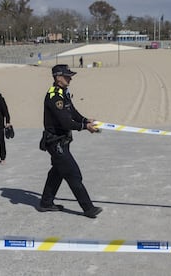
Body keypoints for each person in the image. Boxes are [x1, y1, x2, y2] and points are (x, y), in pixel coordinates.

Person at [39, 64, 102, 218]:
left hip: (62, 141)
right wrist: (85, 127)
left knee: (58, 172)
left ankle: (46, 202)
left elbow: (72, 112)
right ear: (58, 77)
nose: (70, 78)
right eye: (67, 76)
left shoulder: (63, 93)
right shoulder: (54, 97)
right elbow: (66, 122)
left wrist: (85, 119)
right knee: (73, 173)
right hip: (55, 142)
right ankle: (88, 208)